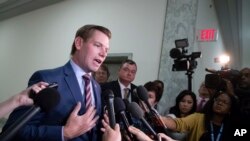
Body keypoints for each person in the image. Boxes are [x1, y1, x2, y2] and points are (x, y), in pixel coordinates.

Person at [2, 24, 112, 141]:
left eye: (106, 50)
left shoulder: (96, 87)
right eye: (98, 45)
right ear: (79, 43)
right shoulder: (46, 78)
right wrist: (64, 133)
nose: (103, 53)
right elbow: (15, 131)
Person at [160, 91, 239, 141]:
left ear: (230, 109)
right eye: (218, 100)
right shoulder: (198, 118)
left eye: (224, 102)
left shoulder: (232, 128)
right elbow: (178, 124)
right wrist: (160, 118)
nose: (220, 103)